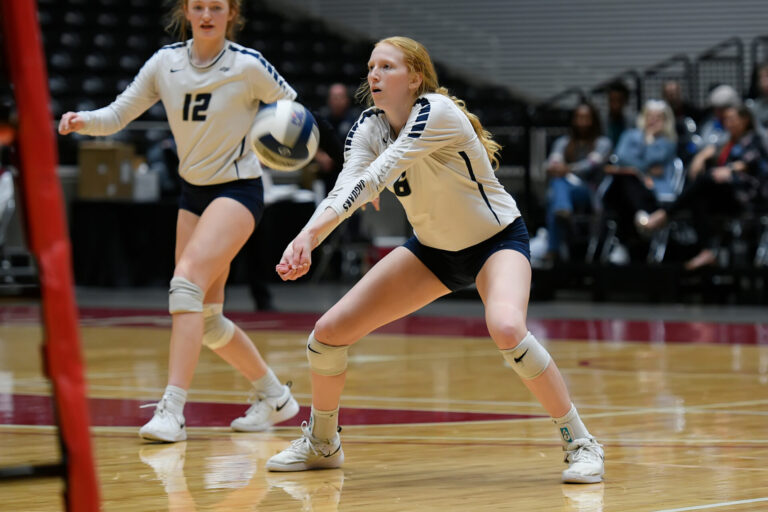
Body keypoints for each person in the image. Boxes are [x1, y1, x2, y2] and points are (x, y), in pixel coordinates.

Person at [264, 36, 604, 484]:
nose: (373, 75)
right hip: (433, 251)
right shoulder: (368, 127)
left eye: (386, 67)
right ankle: (323, 443)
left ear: (415, 77)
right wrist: (305, 237)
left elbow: (376, 177)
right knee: (326, 336)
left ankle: (581, 443)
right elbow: (345, 185)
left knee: (506, 328)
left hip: (496, 242)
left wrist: (319, 227)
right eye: (371, 67)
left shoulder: (437, 112)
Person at [58, 0, 300, 442]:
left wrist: (319, 154)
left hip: (238, 190)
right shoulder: (165, 63)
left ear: (232, 13)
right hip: (193, 194)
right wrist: (82, 121)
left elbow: (295, 114)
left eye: (217, 7)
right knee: (206, 319)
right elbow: (117, 114)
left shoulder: (248, 65)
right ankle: (275, 396)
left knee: (184, 283)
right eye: (199, 6)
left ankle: (172, 410)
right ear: (186, 11)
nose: (208, 14)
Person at [641, 106, 768, 270]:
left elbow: (750, 163)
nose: (728, 123)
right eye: (726, 120)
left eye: (732, 119)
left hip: (747, 195)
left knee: (706, 179)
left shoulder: (754, 139)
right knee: (698, 196)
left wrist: (729, 169)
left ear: (745, 120)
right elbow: (710, 151)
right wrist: (700, 157)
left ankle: (665, 214)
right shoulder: (727, 142)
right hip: (726, 195)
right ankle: (707, 251)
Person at [601, 100, 677, 260]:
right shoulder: (630, 135)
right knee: (626, 179)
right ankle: (641, 217)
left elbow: (653, 157)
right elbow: (621, 157)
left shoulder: (668, 141)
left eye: (658, 117)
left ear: (665, 120)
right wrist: (643, 169)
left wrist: (648, 141)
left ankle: (623, 245)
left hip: (653, 190)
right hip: (625, 188)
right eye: (650, 116)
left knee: (625, 184)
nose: (653, 121)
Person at [545, 101, 612, 261]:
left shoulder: (603, 143)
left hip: (588, 191)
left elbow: (590, 165)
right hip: (565, 188)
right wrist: (555, 168)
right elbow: (553, 162)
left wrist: (566, 169)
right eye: (579, 117)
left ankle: (553, 249)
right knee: (558, 185)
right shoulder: (563, 142)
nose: (582, 122)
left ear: (593, 120)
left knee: (556, 188)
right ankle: (562, 210)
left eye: (586, 118)